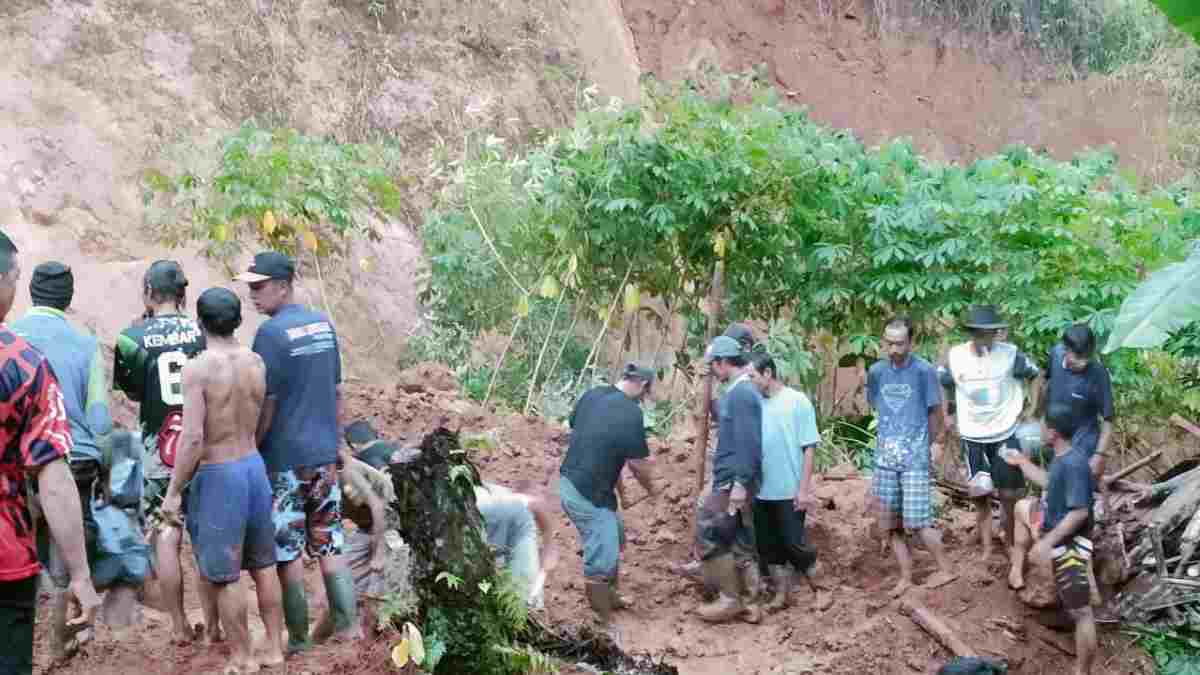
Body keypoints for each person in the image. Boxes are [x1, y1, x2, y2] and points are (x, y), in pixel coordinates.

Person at [12, 262, 148, 661]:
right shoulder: (85, 343)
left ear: (31, 293)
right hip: (73, 463)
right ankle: (56, 649)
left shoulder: (10, 338)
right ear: (68, 299)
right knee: (59, 565)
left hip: (18, 466)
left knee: (20, 556)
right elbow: (100, 420)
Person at [236, 251, 358, 651]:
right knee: (330, 542)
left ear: (284, 285)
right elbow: (338, 391)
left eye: (260, 286)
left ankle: (300, 641)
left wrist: (252, 448)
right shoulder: (323, 325)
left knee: (286, 551)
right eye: (250, 287)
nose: (253, 295)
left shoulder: (269, 336)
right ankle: (346, 627)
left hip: (283, 461)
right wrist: (338, 442)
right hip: (323, 457)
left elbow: (266, 404)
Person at [159, 288, 284, 672]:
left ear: (199, 322)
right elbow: (265, 414)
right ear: (238, 322)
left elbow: (193, 438)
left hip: (218, 475)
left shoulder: (197, 369)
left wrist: (174, 491)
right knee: (264, 564)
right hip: (252, 466)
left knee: (226, 573)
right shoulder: (256, 363)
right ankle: (274, 649)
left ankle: (242, 657)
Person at [0, 233, 101, 674]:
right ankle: (58, 633)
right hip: (6, 553)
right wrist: (83, 575)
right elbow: (54, 474)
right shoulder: (24, 362)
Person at [113, 259, 213, 642]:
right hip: (202, 448)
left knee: (166, 537)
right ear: (182, 293)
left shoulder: (130, 338)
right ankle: (215, 624)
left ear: (149, 292)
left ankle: (179, 626)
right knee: (206, 537)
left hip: (160, 453)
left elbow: (134, 391)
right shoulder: (202, 333)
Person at [559, 363, 658, 643]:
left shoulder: (592, 395)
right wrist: (653, 490)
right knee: (601, 558)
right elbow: (638, 465)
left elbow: (602, 447)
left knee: (615, 534)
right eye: (648, 391)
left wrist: (622, 494)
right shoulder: (631, 413)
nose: (645, 397)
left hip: (573, 482)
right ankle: (602, 623)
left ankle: (611, 597)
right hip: (584, 493)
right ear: (642, 385)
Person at [938, 305, 1040, 563]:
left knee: (1009, 494)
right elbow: (941, 380)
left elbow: (1035, 375)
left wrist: (1031, 410)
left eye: (992, 333)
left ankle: (1008, 541)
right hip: (973, 435)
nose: (989, 337)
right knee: (980, 494)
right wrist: (946, 414)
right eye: (983, 333)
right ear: (972, 333)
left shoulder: (1010, 355)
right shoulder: (956, 356)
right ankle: (986, 547)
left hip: (1006, 432)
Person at [1001, 406, 1098, 675]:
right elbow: (1049, 482)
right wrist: (1021, 462)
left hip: (1071, 546)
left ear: (1053, 432)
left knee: (1082, 612)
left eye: (1043, 426)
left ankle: (1082, 671)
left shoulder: (1073, 463)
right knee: (1023, 508)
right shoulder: (1063, 457)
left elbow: (1080, 512)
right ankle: (1016, 572)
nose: (1040, 430)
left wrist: (1046, 543)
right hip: (1058, 537)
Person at [866, 317, 957, 598]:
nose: (893, 349)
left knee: (918, 521)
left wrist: (932, 445)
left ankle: (945, 568)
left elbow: (934, 413)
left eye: (900, 343)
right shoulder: (877, 371)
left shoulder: (923, 371)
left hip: (915, 458)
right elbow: (875, 405)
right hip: (885, 459)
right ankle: (906, 576)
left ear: (911, 342)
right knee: (890, 524)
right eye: (889, 343)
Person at [694, 336, 763, 623]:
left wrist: (738, 484)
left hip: (733, 478)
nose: (714, 372)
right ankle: (750, 603)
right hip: (738, 477)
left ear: (723, 363)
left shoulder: (742, 394)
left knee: (711, 531)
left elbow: (749, 443)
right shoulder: (738, 392)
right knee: (740, 539)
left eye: (714, 366)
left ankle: (729, 599)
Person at [746, 353, 820, 611]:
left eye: (752, 376)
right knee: (769, 548)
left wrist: (803, 489)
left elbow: (809, 447)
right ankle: (781, 595)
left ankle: (821, 590)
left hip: (789, 490)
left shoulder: (797, 401)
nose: (749, 381)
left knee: (794, 544)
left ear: (767, 373)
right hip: (761, 491)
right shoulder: (754, 404)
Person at [1040, 324, 1114, 481]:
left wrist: (1099, 455)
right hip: (1056, 436)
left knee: (1077, 486)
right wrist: (1040, 419)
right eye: (1078, 358)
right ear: (1065, 350)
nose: (1083, 363)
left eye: (1087, 359)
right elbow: (1045, 384)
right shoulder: (1056, 354)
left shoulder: (1098, 374)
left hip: (1084, 440)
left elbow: (1108, 421)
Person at [475, 480, 560, 609]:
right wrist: (550, 545)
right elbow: (534, 504)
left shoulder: (492, 490)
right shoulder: (517, 503)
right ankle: (523, 608)